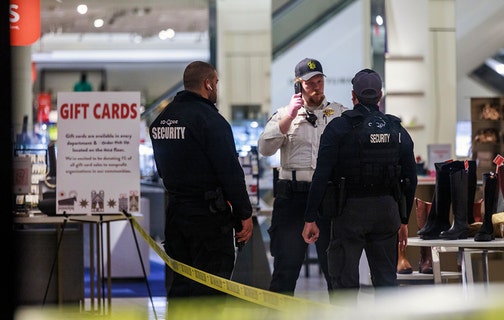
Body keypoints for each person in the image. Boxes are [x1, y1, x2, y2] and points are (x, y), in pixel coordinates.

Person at [302, 68, 417, 303]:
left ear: (353, 96)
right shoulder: (396, 130)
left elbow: (321, 176)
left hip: (349, 214)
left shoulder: (338, 129)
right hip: (387, 213)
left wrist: (310, 217)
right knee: (386, 283)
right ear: (380, 96)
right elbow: (410, 178)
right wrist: (404, 219)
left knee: (344, 285)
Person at [149, 61, 254, 307]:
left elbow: (162, 170)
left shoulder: (162, 121)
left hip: (176, 216)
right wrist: (244, 214)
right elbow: (230, 172)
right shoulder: (211, 121)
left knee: (181, 286)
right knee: (210, 290)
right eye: (216, 83)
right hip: (208, 220)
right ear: (208, 84)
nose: (217, 87)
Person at [258, 58, 347, 295]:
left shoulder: (339, 113)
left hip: (327, 199)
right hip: (292, 199)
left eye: (319, 81)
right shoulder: (284, 115)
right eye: (310, 83)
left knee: (335, 271)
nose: (317, 86)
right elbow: (265, 149)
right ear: (299, 85)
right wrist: (290, 116)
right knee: (285, 271)